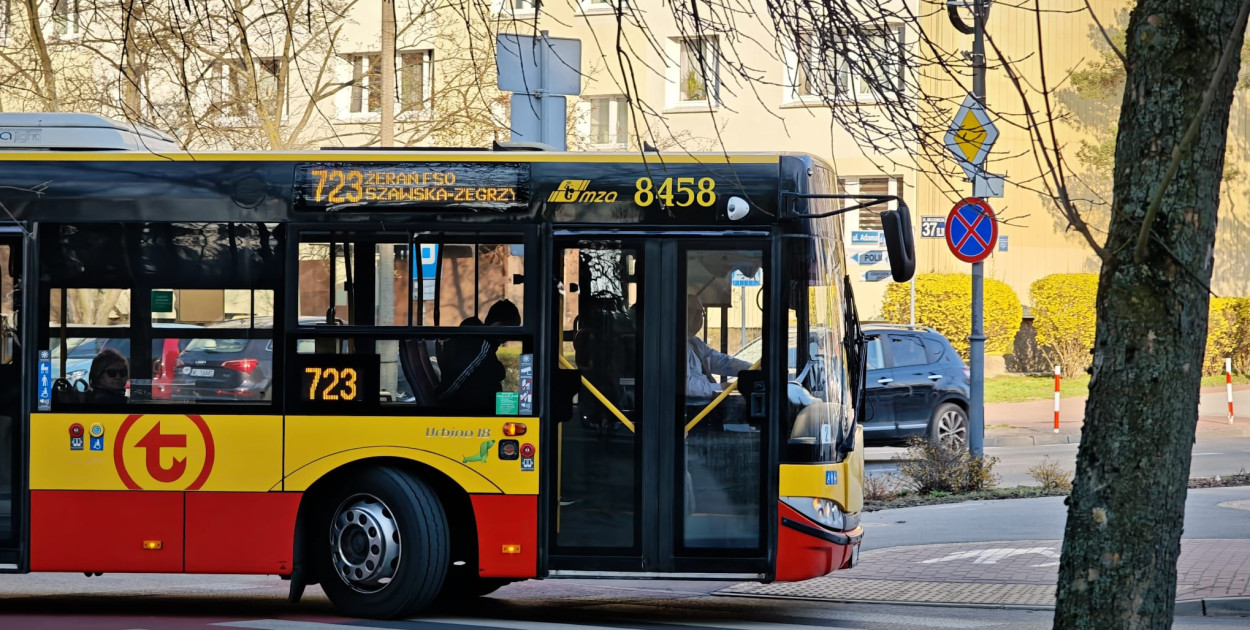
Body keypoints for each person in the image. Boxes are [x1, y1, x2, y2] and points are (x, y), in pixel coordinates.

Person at [437, 299, 521, 413]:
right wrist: (440, 401)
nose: (508, 338)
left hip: (483, 409)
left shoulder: (484, 344)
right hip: (471, 413)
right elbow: (455, 379)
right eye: (509, 330)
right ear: (498, 325)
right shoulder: (478, 344)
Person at [685, 294, 751, 399]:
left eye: (702, 313)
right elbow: (687, 387)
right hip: (694, 408)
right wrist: (723, 387)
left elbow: (720, 361)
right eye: (697, 312)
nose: (700, 318)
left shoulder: (694, 343)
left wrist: (751, 369)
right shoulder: (676, 346)